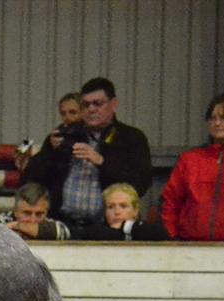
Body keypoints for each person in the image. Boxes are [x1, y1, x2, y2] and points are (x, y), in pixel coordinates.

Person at [22, 77, 152, 228]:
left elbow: (141, 183)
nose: (91, 109)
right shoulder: (65, 135)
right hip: (63, 223)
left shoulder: (131, 137)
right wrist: (49, 151)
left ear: (114, 104)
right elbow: (30, 178)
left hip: (109, 226)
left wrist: (101, 162)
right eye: (86, 105)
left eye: (98, 104)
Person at [160, 93, 224, 241]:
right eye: (213, 118)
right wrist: (172, 236)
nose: (217, 123)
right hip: (190, 244)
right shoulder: (189, 159)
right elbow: (171, 201)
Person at [72, 182, 169, 241]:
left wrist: (126, 226)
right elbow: (85, 233)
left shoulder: (145, 230)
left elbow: (161, 233)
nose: (117, 211)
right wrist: (115, 231)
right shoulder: (95, 232)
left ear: (135, 211)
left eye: (123, 206)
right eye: (111, 207)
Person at [16, 92, 81, 174]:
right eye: (63, 113)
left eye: (72, 112)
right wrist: (51, 149)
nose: (67, 117)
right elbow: (36, 171)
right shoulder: (55, 136)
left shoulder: (92, 135)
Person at [0, 182, 71, 240]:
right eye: (27, 213)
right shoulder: (0, 220)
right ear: (15, 211)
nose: (33, 220)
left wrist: (16, 226)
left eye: (39, 214)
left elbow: (64, 231)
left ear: (46, 212)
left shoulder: (52, 225)